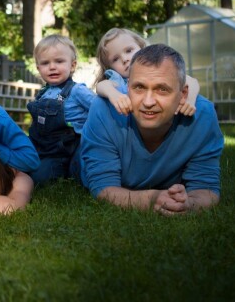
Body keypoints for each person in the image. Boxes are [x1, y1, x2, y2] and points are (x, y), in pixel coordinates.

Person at [78, 44, 223, 215]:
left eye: (162, 89)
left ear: (183, 95)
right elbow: (103, 188)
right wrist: (152, 199)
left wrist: (188, 204)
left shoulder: (202, 115)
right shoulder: (104, 109)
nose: (148, 102)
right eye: (139, 87)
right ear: (128, 86)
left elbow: (206, 188)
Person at [26, 34, 96, 185]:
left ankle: (73, 173)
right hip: (48, 149)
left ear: (72, 65)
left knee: (80, 172)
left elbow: (99, 108)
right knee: (36, 177)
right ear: (38, 69)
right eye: (45, 63)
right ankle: (58, 172)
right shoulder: (43, 94)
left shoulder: (77, 90)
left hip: (75, 145)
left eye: (59, 61)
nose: (52, 67)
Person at [94, 28, 199, 116]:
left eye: (129, 50)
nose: (125, 59)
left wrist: (190, 100)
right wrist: (114, 95)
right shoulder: (118, 81)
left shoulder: (160, 68)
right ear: (109, 67)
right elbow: (102, 85)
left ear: (141, 46)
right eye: (115, 59)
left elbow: (192, 81)